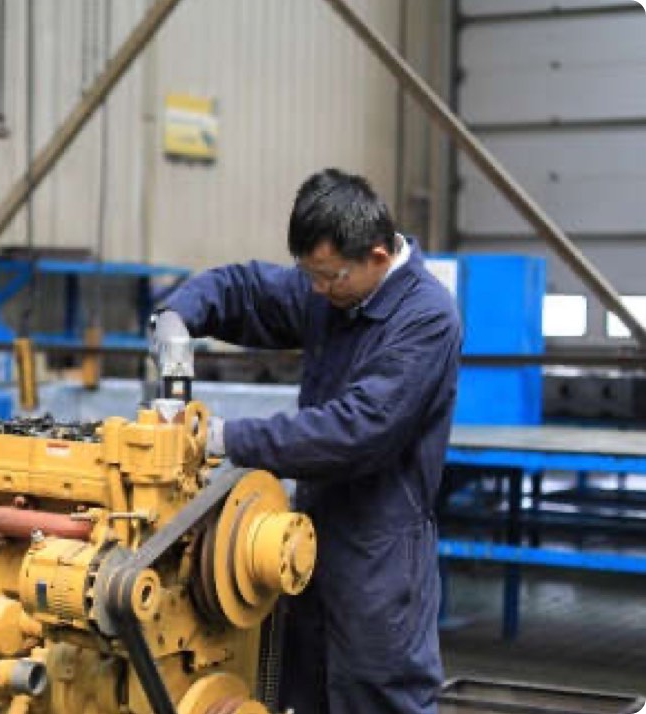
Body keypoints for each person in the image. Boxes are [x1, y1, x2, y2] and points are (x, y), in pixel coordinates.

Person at [151, 168, 461, 713]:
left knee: (377, 692)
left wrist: (225, 437)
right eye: (309, 275)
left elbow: (357, 430)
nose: (316, 291)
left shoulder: (426, 318)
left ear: (378, 257)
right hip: (307, 539)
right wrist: (178, 316)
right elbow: (248, 290)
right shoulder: (335, 288)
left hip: (380, 553)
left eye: (328, 277)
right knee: (303, 691)